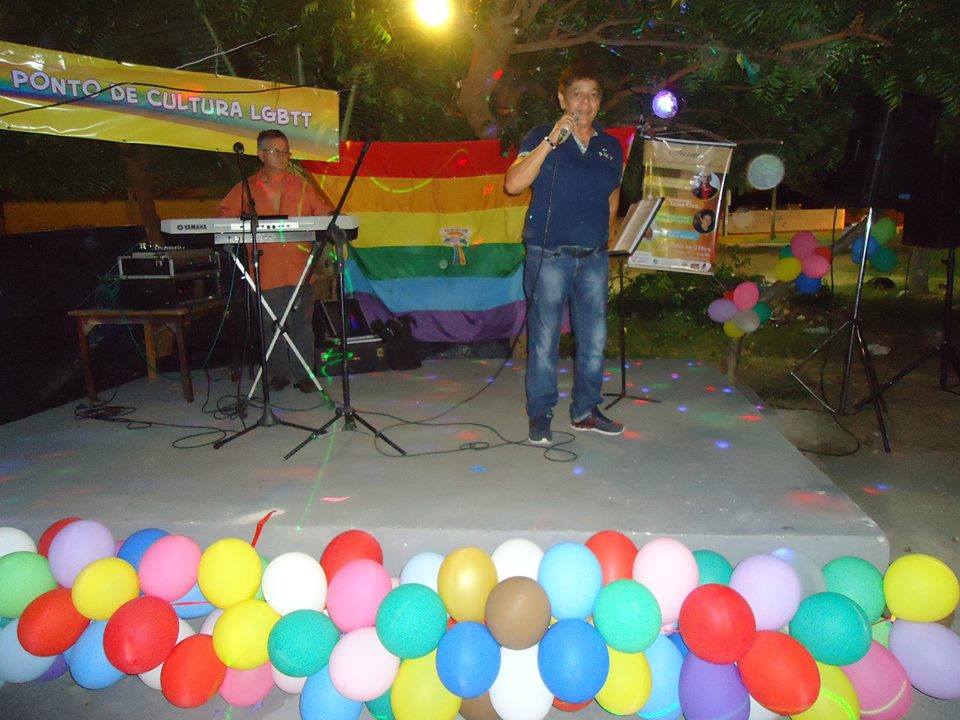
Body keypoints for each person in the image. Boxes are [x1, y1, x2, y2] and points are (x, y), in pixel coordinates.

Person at [504, 65, 625, 445]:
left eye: (593, 94)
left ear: (599, 102)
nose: (585, 102)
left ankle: (586, 411)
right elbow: (513, 184)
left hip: (593, 258)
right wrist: (550, 142)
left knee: (594, 340)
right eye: (577, 94)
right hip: (549, 255)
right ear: (562, 99)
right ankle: (540, 414)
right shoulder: (540, 135)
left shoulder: (610, 146)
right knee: (544, 340)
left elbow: (612, 195)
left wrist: (608, 237)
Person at [218, 129, 333, 391]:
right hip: (265, 268)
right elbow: (224, 216)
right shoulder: (245, 187)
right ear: (261, 155)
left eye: (285, 151)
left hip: (300, 267)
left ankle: (305, 374)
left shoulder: (301, 186)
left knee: (301, 323)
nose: (282, 156)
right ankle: (278, 373)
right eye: (275, 151)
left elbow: (324, 212)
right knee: (271, 323)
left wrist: (336, 217)